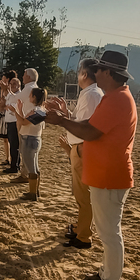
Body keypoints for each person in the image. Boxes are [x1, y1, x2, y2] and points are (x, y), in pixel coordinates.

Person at [44, 49, 137, 280]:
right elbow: (91, 129)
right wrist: (64, 118)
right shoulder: (115, 96)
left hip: (110, 176)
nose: (95, 74)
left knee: (109, 234)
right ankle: (107, 275)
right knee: (108, 231)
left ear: (108, 73)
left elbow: (91, 132)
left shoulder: (117, 99)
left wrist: (61, 120)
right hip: (106, 174)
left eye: (99, 70)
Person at [52, 58, 104, 249]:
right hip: (81, 147)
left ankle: (83, 236)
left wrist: (62, 118)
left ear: (83, 74)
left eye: (78, 72)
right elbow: (79, 121)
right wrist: (65, 113)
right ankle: (81, 228)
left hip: (83, 148)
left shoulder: (91, 95)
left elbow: (85, 127)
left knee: (83, 195)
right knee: (80, 194)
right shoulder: (89, 94)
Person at [9, 87, 47, 201]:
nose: (29, 97)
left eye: (30, 95)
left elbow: (24, 122)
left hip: (30, 140)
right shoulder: (39, 110)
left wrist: (15, 111)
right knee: (34, 166)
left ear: (34, 97)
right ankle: (35, 190)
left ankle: (32, 193)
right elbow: (24, 120)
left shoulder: (38, 111)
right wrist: (19, 110)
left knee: (32, 167)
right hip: (32, 139)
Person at [9, 68, 39, 182]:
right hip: (30, 123)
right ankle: (25, 173)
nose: (22, 77)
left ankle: (25, 175)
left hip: (26, 124)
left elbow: (15, 99)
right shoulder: (33, 88)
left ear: (29, 77)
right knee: (29, 153)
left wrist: (7, 91)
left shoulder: (29, 88)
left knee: (26, 151)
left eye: (24, 75)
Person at [0, 77, 21, 175]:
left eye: (14, 83)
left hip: (15, 122)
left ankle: (14, 166)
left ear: (19, 85)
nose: (12, 85)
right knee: (12, 144)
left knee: (15, 145)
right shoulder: (11, 95)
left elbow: (14, 108)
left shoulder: (19, 95)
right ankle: (14, 164)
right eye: (11, 83)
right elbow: (3, 107)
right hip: (10, 121)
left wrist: (9, 108)